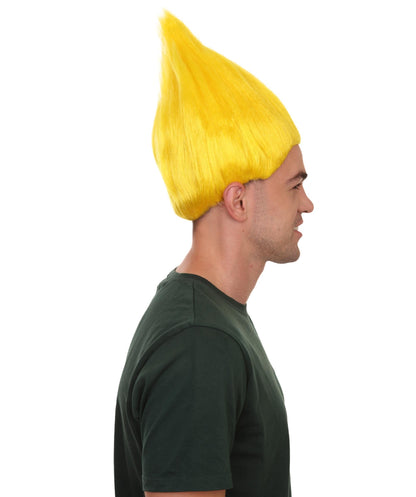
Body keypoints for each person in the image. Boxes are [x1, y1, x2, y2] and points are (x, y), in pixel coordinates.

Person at [114, 10, 314, 497]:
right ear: (238, 201)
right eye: (294, 186)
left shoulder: (212, 319)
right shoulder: (198, 344)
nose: (307, 204)